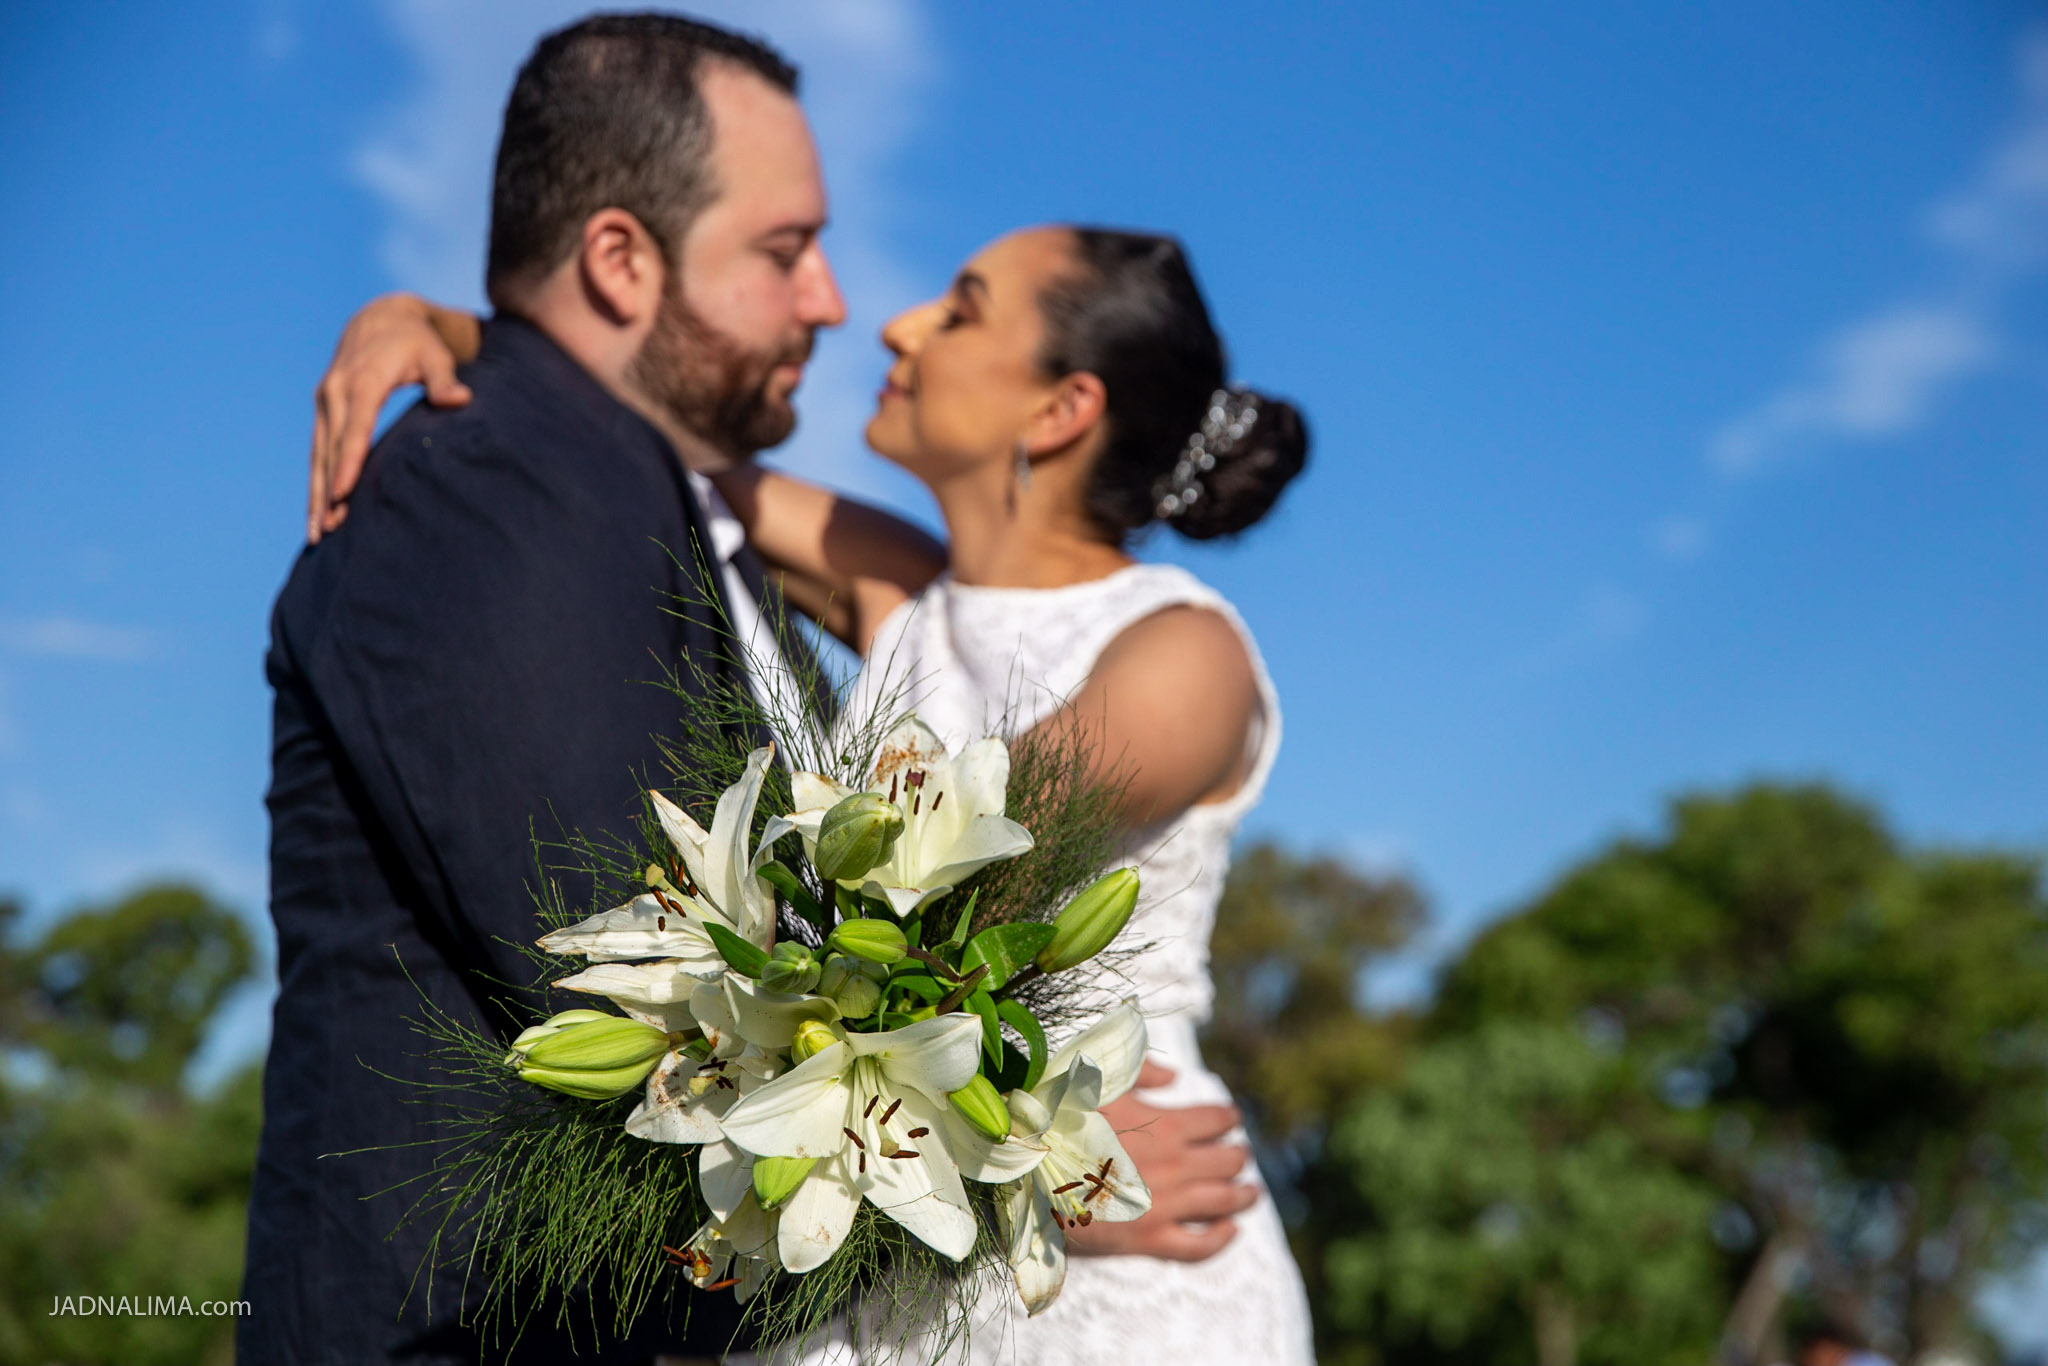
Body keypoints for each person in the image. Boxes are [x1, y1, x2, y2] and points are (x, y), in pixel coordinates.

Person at [312, 223, 1313, 1364]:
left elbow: (929, 909)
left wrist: (1034, 1153)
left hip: (1115, 1207)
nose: (899, 323)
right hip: (892, 1187)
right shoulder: (902, 590)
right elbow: (629, 444)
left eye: (961, 306)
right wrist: (438, 330)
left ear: (1059, 410)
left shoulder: (1182, 653)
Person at [246, 15, 871, 1364]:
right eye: (783, 249)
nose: (828, 299)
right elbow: (629, 971)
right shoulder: (496, 484)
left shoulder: (647, 496)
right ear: (619, 257)